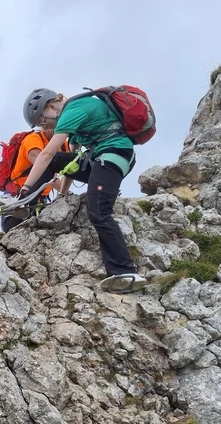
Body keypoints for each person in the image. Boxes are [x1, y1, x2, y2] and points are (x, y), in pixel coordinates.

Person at [17, 87, 148, 293]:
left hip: (114, 154)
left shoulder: (73, 110)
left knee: (98, 210)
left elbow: (47, 154)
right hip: (99, 159)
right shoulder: (74, 124)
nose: (44, 128)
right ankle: (27, 206)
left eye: (42, 122)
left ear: (51, 106)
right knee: (58, 161)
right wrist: (61, 196)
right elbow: (70, 164)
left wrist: (24, 188)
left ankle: (125, 271)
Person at [0, 100, 73, 231]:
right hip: (19, 201)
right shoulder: (33, 139)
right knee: (46, 164)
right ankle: (17, 205)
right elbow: (44, 165)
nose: (51, 127)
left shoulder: (64, 145)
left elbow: (71, 169)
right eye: (47, 125)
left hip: (40, 203)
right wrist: (66, 192)